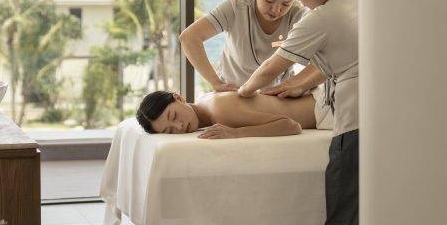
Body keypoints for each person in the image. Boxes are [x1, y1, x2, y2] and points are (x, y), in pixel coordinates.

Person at [238, 0, 358, 225]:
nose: (297, 3)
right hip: (381, 114)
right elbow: (342, 56)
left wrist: (242, 90)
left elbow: (269, 69)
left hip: (355, 123)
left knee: (343, 219)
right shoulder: (360, 0)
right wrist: (300, 83)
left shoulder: (319, 18)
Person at [180, 0, 306, 92]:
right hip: (234, 93)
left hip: (277, 95)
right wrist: (215, 82)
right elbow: (189, 37)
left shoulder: (298, 14)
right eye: (269, 0)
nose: (276, 10)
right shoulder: (236, 8)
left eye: (286, 4)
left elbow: (319, 60)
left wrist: (295, 84)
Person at [134, 89, 331, 138]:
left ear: (178, 98)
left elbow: (291, 126)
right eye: (170, 131)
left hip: (327, 108)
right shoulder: (205, 102)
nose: (179, 126)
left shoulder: (220, 110)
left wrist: (235, 133)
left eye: (174, 116)